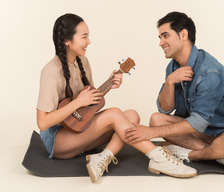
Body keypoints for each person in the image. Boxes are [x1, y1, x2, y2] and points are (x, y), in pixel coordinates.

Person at [36, 13, 197, 183]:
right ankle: (159, 158)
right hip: (57, 140)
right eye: (84, 36)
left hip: (77, 130)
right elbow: (43, 122)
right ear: (66, 40)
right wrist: (79, 101)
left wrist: (108, 86)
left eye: (88, 36)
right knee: (114, 114)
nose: (89, 41)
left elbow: (86, 108)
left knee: (132, 115)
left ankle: (102, 158)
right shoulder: (51, 72)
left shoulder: (83, 61)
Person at [124, 11, 224, 173]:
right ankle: (220, 155)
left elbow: (198, 122)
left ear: (183, 34)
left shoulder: (210, 71)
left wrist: (151, 133)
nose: (161, 42)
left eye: (165, 36)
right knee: (156, 119)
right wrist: (170, 81)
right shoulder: (173, 66)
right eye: (160, 37)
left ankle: (192, 155)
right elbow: (164, 109)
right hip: (203, 133)